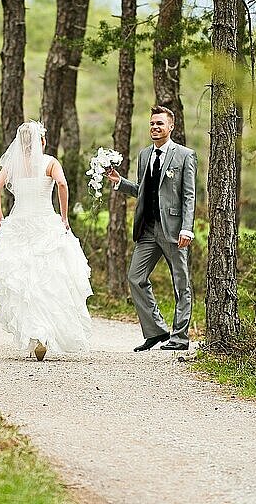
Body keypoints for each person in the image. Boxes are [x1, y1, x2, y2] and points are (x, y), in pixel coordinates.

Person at [0, 120, 92, 361]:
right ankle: (43, 334)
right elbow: (62, 183)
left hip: (18, 224)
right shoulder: (50, 162)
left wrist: (0, 218)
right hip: (45, 222)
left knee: (23, 282)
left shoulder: (12, 166)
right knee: (49, 279)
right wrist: (63, 217)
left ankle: (33, 335)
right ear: (42, 141)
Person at [106, 106, 197, 351]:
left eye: (160, 124)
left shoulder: (185, 155)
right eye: (152, 124)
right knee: (135, 278)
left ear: (171, 127)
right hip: (147, 230)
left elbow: (189, 195)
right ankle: (156, 331)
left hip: (175, 231)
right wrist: (120, 183)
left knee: (181, 284)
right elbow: (143, 191)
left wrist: (187, 228)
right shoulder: (145, 155)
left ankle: (179, 338)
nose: (155, 127)